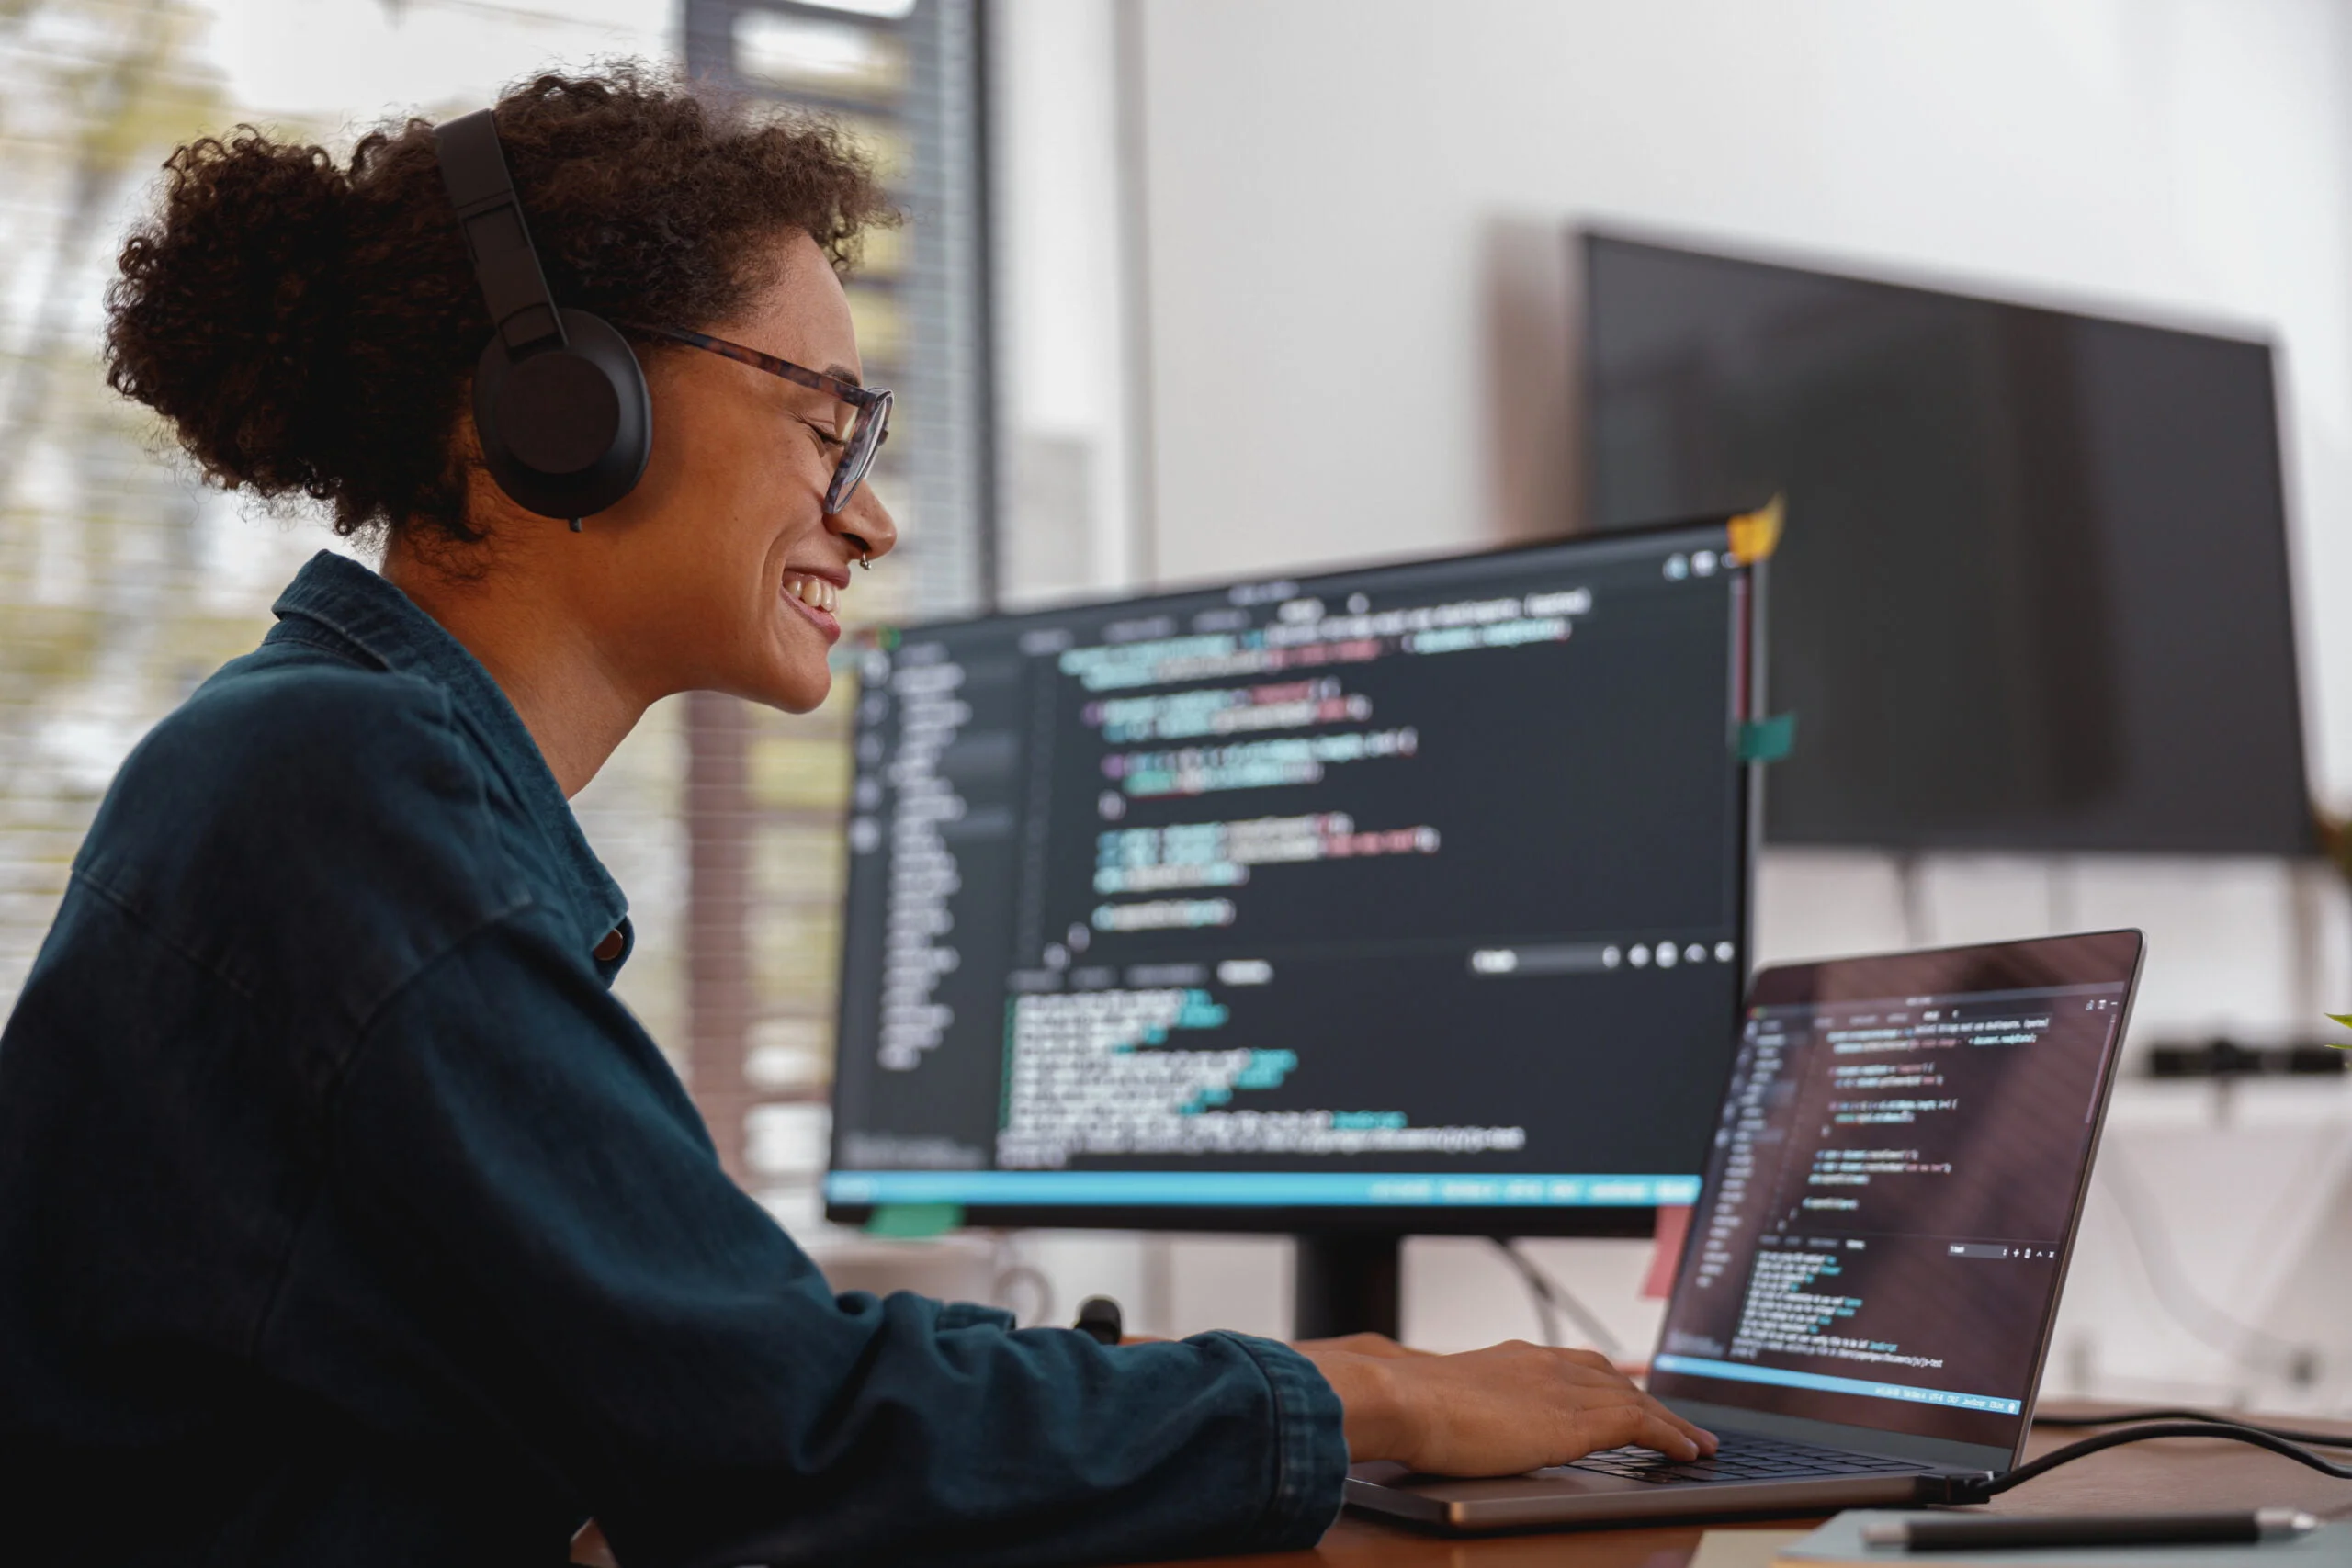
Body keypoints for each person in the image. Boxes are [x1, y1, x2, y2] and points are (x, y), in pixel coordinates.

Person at [0, 66, 1713, 1568]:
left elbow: (689, 1393)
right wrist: (1374, 1387)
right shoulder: (337, 788)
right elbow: (778, 1433)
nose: (871, 515)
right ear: (560, 402)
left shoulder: (324, 767)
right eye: (830, 422)